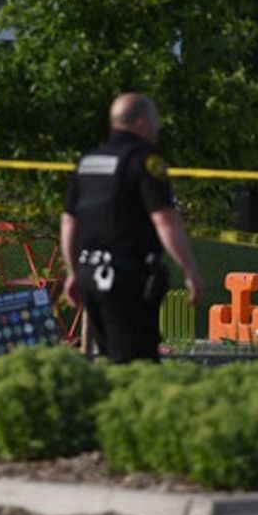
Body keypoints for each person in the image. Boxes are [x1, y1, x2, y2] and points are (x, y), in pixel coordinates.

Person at [60, 93, 204, 363]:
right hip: (127, 277)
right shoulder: (145, 161)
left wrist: (72, 272)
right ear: (140, 122)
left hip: (89, 274)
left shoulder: (88, 162)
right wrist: (190, 270)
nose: (157, 127)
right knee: (137, 364)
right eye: (155, 120)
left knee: (110, 359)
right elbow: (165, 219)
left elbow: (69, 222)